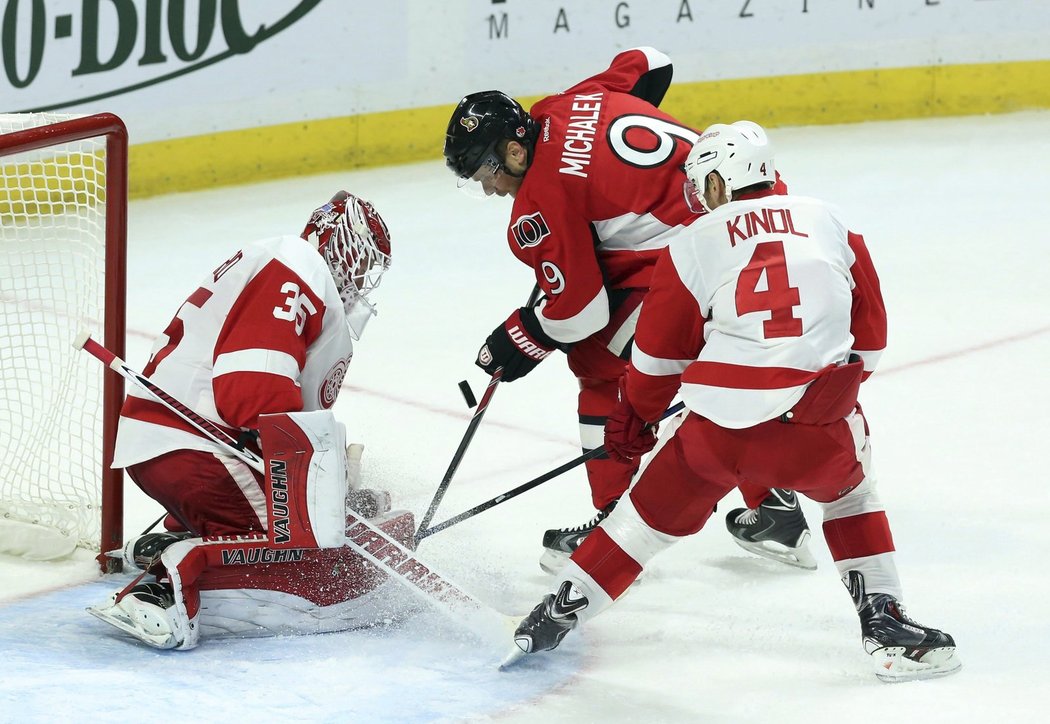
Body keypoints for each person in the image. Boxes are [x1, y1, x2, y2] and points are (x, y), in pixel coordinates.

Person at [509, 122, 961, 683]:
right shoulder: (830, 220)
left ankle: (549, 620)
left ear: (721, 182)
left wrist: (635, 419)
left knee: (637, 525)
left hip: (713, 437)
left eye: (702, 186)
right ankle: (886, 627)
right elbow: (870, 339)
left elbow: (655, 361)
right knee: (851, 498)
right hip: (816, 427)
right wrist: (829, 395)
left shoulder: (691, 243)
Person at [443, 47, 814, 574]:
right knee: (704, 371)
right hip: (764, 209)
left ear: (515, 152)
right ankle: (773, 506)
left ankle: (613, 527)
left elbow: (581, 314)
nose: (489, 187)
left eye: (486, 173)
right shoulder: (573, 100)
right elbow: (652, 61)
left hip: (715, 256)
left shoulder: (539, 202)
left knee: (595, 362)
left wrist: (521, 335)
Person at [88, 191, 414, 650]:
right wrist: (313, 485)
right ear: (345, 246)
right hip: (197, 447)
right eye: (363, 263)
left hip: (178, 445)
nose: (361, 280)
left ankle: (174, 542)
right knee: (305, 551)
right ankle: (163, 587)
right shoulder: (299, 269)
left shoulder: (285, 262)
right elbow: (249, 389)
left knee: (318, 517)